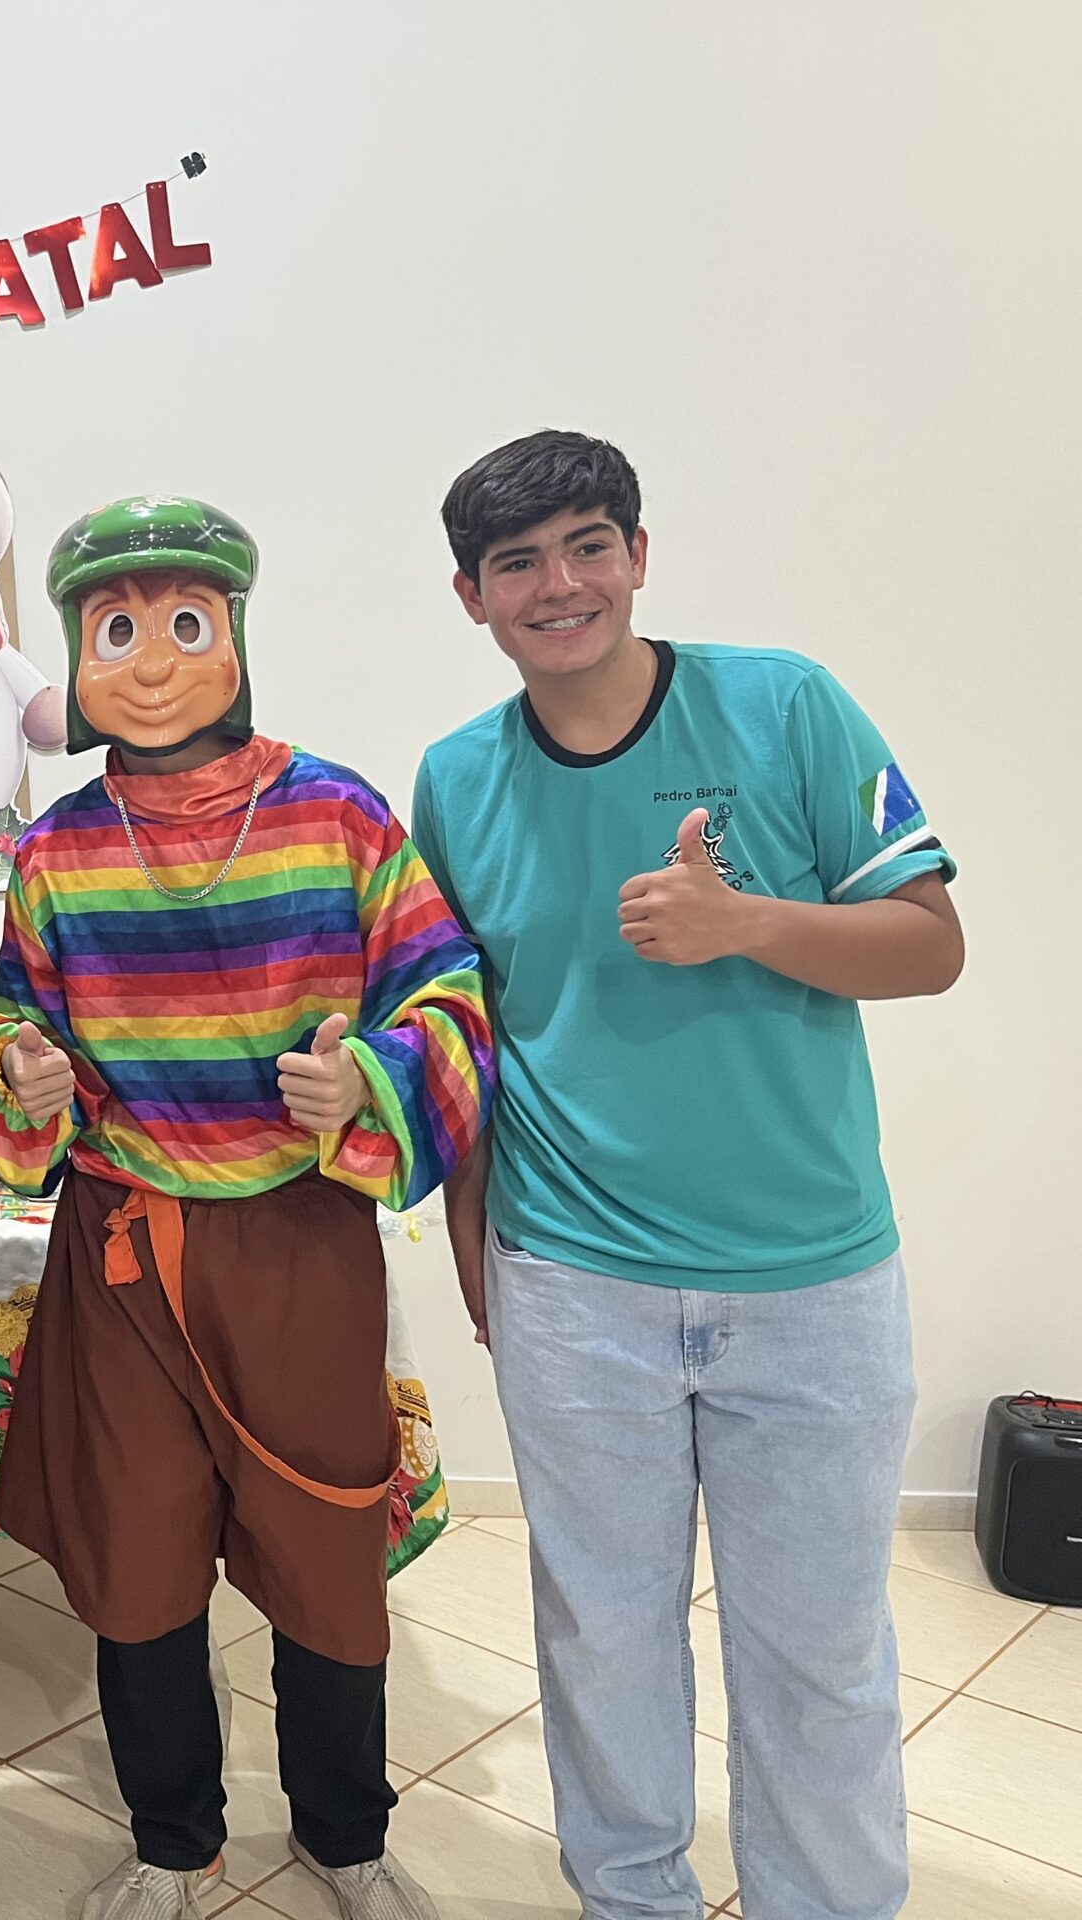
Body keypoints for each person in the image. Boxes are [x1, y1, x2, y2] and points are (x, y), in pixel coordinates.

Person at [414, 432, 962, 1920]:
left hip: (813, 1285)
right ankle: (631, 1899)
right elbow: (465, 1032)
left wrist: (747, 924)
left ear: (639, 555)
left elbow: (931, 945)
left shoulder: (785, 704)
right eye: (518, 563)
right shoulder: (456, 779)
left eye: (589, 545)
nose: (560, 585)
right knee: (601, 1642)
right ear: (472, 596)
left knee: (818, 1657)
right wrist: (475, 1244)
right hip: (570, 1282)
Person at [0, 496, 494, 1920]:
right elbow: (14, 1034)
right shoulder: (55, 851)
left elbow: (450, 996)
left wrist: (372, 1081)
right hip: (125, 1253)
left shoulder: (339, 814)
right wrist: (22, 1073)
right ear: (76, 653)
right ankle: (170, 1842)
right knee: (138, 1562)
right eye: (115, 630)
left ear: (238, 638)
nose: (148, 662)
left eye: (183, 624)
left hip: (299, 1245)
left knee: (326, 1555)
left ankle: (345, 1834)